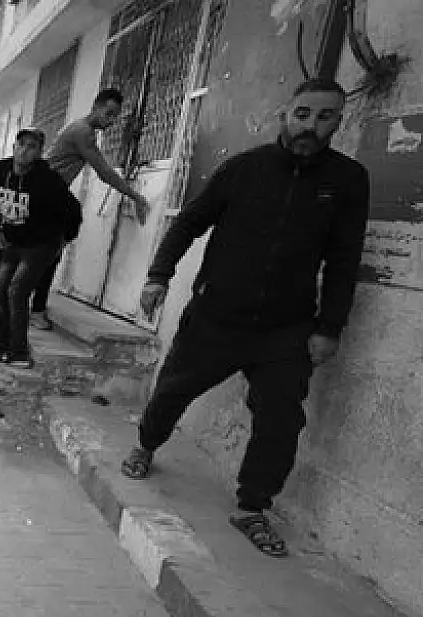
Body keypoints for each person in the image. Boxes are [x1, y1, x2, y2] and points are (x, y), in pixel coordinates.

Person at [120, 78, 369, 559]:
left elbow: (344, 258)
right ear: (284, 114)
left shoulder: (348, 180)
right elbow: (189, 223)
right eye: (303, 114)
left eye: (325, 117)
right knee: (173, 389)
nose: (310, 126)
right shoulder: (242, 169)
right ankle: (146, 445)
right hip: (216, 316)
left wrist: (329, 327)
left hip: (286, 328)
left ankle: (253, 506)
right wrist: (157, 277)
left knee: (281, 419)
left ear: (339, 122)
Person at [31, 88, 153, 330]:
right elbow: (104, 172)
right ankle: (35, 309)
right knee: (47, 252)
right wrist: (137, 197)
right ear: (95, 107)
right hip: (47, 197)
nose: (111, 121)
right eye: (108, 113)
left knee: (48, 250)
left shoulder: (79, 128)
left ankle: (32, 304)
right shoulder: (83, 132)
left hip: (49, 195)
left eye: (115, 116)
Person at [0, 128, 81, 368]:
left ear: (39, 152)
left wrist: (65, 239)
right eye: (21, 144)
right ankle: (3, 342)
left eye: (32, 147)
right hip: (14, 241)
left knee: (17, 290)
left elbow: (73, 210)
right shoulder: (0, 170)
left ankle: (19, 352)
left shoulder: (48, 180)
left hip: (41, 244)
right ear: (14, 146)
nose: (24, 151)